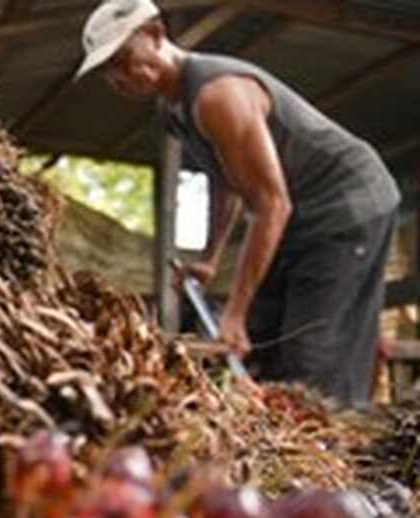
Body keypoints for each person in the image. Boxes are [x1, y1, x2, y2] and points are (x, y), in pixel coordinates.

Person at [75, 0, 402, 407]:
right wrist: (210, 258)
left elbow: (271, 204)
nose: (119, 78)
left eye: (124, 59)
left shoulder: (219, 94)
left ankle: (336, 450)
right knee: (267, 337)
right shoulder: (175, 108)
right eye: (108, 70)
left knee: (311, 354)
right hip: (300, 215)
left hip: (347, 204)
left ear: (157, 36)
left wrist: (234, 312)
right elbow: (227, 183)